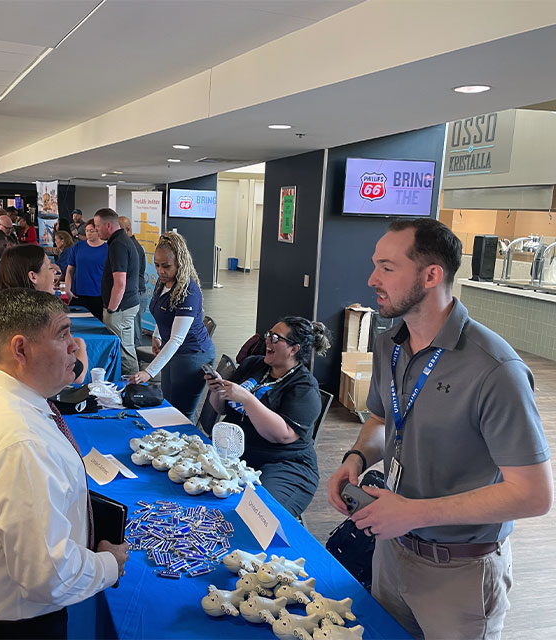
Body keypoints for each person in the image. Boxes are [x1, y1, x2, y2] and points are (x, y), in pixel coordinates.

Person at [327, 218, 552, 640]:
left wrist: (413, 513)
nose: (372, 279)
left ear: (431, 276)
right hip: (391, 551)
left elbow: (534, 494)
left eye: (387, 267)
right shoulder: (389, 344)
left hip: (459, 571)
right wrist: (356, 458)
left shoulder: (495, 369)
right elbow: (382, 419)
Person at [0, 288, 128, 639]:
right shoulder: (20, 442)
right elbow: (48, 576)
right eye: (62, 335)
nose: (75, 345)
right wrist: (109, 564)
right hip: (4, 626)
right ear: (20, 349)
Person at [206, 317, 328, 516]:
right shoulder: (254, 364)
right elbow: (222, 409)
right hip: (237, 454)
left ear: (294, 349)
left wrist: (248, 399)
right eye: (269, 335)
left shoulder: (304, 386)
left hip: (284, 464)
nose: (268, 341)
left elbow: (283, 435)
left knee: (259, 514)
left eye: (275, 338)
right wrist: (217, 391)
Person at [0, 244, 89, 386]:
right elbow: (75, 374)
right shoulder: (30, 317)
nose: (54, 273)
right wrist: (81, 345)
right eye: (49, 268)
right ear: (33, 276)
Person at [129, 232, 215, 420]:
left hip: (193, 355)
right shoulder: (164, 283)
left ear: (179, 263)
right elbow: (164, 313)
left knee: (181, 413)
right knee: (167, 405)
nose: (160, 271)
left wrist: (149, 372)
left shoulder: (188, 292)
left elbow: (177, 338)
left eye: (166, 266)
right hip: (174, 351)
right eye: (157, 265)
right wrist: (157, 335)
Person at [94, 208, 140, 376]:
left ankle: (134, 385)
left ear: (108, 225)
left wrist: (111, 309)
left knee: (124, 351)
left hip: (120, 308)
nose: (96, 230)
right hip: (124, 306)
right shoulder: (120, 242)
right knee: (124, 348)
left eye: (98, 226)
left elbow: (120, 284)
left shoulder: (118, 245)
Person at [65, 219, 107, 320]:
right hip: (78, 294)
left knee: (96, 324)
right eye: (87, 231)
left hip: (98, 295)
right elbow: (70, 270)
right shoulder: (77, 247)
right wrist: (67, 289)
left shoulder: (107, 249)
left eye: (91, 231)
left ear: (98, 231)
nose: (88, 233)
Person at [119, 216, 147, 347]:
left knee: (134, 335)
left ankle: (137, 359)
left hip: (136, 294)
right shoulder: (128, 245)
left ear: (128, 229)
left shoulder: (132, 247)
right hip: (134, 293)